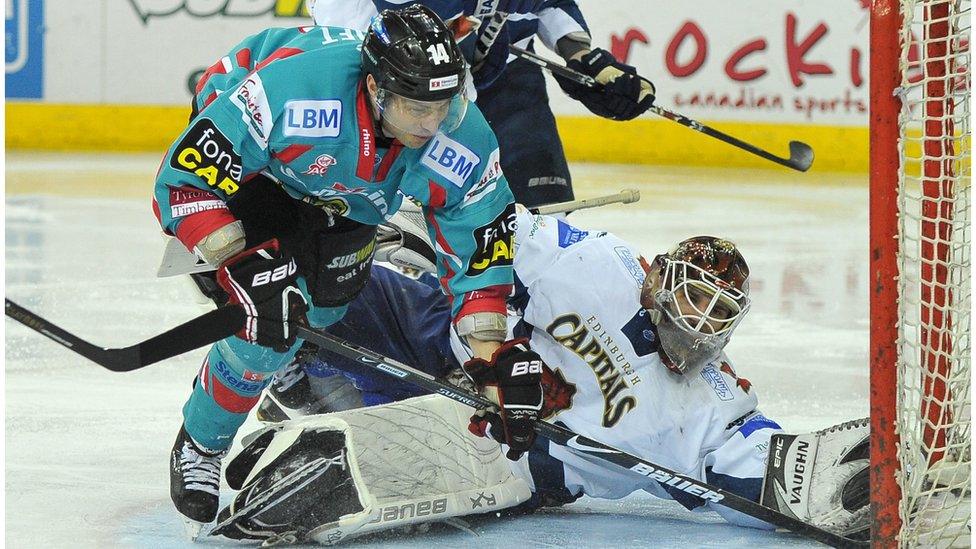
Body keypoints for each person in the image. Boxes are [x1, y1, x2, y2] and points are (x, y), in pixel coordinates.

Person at [218, 206, 870, 543]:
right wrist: (503, 344)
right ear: (660, 277)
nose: (699, 320)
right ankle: (313, 382)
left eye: (718, 311)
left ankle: (357, 409)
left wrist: (860, 482)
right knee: (306, 289)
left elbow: (768, 471)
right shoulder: (599, 265)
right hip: (451, 337)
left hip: (504, 457)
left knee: (340, 479)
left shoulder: (705, 403)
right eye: (693, 295)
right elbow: (498, 238)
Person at [154, 5, 538, 533]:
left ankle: (296, 352)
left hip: (347, 199)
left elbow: (481, 242)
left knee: (327, 307)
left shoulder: (457, 130)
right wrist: (239, 262)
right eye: (416, 108)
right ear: (376, 88)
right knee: (268, 321)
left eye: (442, 105)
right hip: (259, 176)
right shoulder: (296, 92)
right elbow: (185, 181)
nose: (432, 123)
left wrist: (491, 355)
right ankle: (202, 441)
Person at [307, 0, 656, 208]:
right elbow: (363, 52)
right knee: (417, 227)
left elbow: (548, 3)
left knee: (547, 208)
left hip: (502, 75)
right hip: (399, 90)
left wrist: (584, 57)